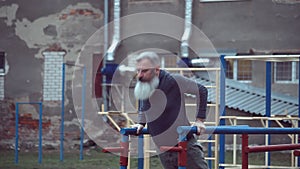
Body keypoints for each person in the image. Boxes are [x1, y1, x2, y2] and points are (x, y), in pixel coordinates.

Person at [132, 51, 208, 169]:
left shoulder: (174, 81)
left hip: (184, 144)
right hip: (163, 148)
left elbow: (201, 90)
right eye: (138, 70)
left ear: (156, 70)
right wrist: (141, 123)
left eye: (144, 70)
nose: (140, 75)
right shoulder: (145, 83)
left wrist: (199, 120)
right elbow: (143, 100)